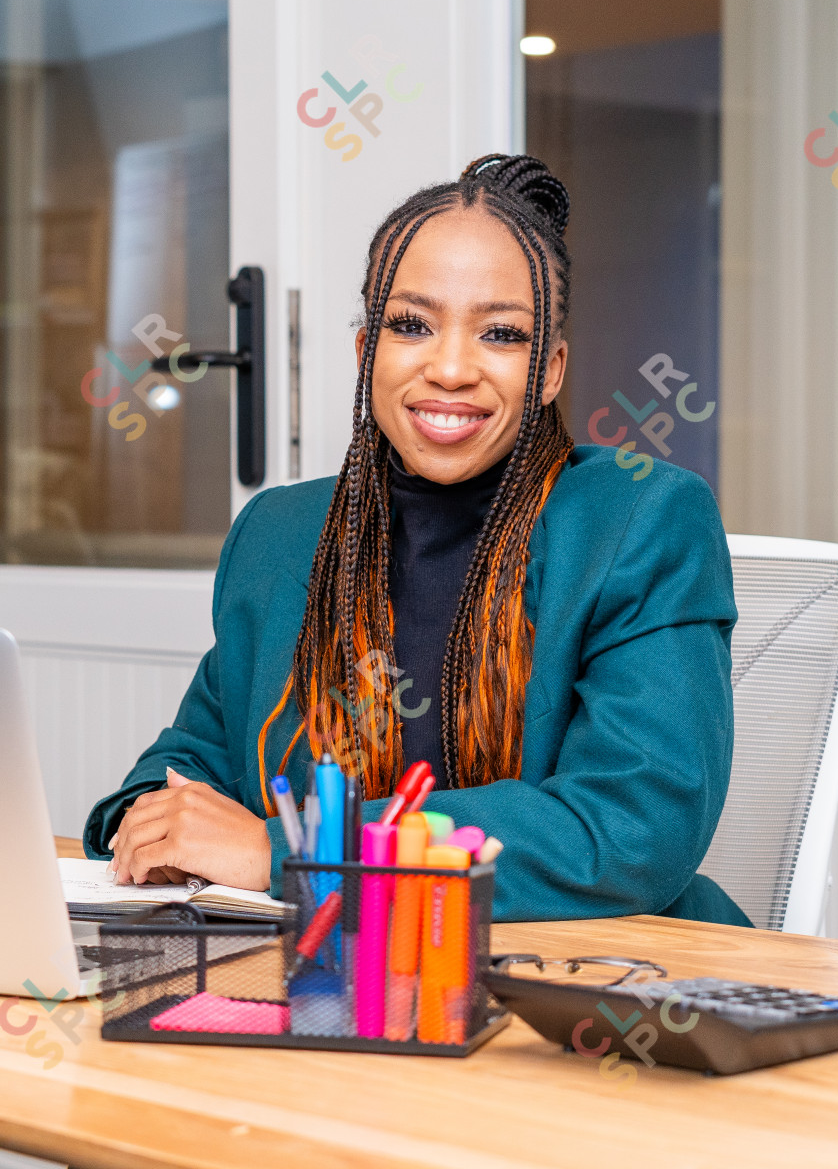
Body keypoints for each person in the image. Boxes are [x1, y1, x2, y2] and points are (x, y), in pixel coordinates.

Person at [85, 154, 747, 925]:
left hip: (591, 986)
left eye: (501, 333)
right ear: (368, 352)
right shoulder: (280, 533)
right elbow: (196, 760)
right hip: (326, 974)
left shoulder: (642, 520)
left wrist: (298, 856)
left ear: (553, 369)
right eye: (412, 325)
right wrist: (149, 817)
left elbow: (631, 832)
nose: (452, 366)